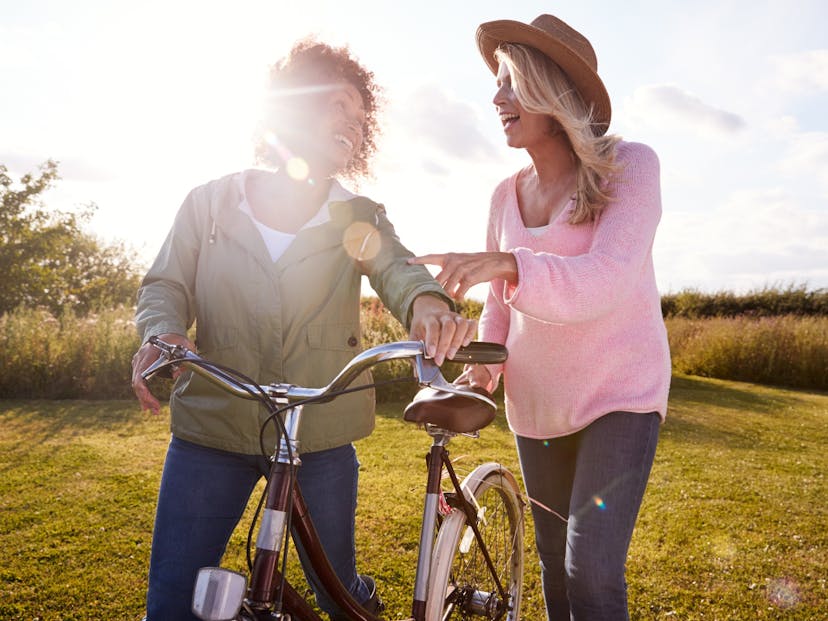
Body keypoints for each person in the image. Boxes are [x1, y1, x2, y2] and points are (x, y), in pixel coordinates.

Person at [131, 39, 476, 621]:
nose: (353, 124)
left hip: (317, 432)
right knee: (171, 599)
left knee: (334, 592)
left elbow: (396, 269)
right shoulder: (210, 204)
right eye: (339, 105)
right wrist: (162, 331)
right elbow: (164, 285)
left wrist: (426, 304)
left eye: (360, 118)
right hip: (214, 424)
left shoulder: (356, 216)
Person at [409, 14, 671, 621]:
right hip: (538, 407)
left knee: (592, 568)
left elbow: (604, 282)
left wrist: (507, 261)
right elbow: (498, 302)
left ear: (552, 92)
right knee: (553, 559)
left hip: (620, 399)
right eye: (497, 82)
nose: (496, 97)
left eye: (510, 82)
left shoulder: (630, 167)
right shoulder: (505, 194)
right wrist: (482, 373)